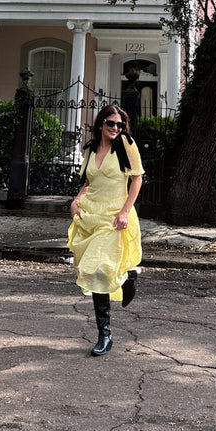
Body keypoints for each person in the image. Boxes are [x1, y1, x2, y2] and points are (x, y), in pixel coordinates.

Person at [67, 104, 144, 356]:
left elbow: (137, 179)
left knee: (97, 270)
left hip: (114, 216)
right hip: (91, 214)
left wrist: (124, 211)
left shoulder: (126, 145)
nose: (115, 128)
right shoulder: (90, 149)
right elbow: (89, 182)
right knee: (94, 271)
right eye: (111, 123)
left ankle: (105, 334)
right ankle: (127, 278)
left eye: (120, 125)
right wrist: (76, 201)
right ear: (101, 124)